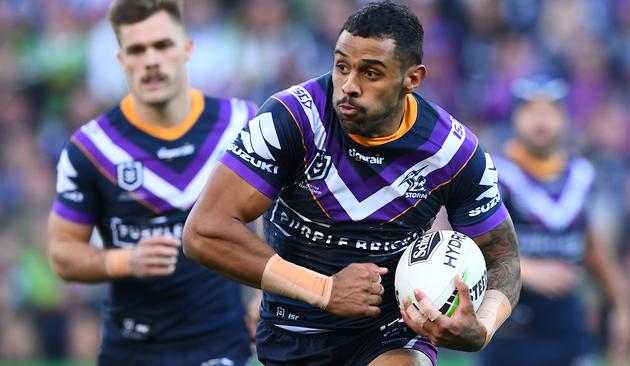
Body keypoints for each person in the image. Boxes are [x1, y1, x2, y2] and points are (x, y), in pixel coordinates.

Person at [184, 1, 521, 365]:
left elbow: (503, 255)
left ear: (413, 78)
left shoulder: (454, 152)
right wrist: (325, 290)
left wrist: (482, 328)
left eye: (370, 73)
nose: (348, 86)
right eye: (341, 66)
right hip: (294, 328)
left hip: (390, 331)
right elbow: (204, 232)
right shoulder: (291, 119)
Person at [47, 1, 257, 365]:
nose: (151, 60)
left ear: (187, 48)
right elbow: (63, 254)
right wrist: (124, 261)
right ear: (121, 60)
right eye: (137, 50)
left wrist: (265, 295)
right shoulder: (91, 148)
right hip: (131, 348)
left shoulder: (242, 125)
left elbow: (277, 217)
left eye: (162, 45)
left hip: (221, 343)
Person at [477, 76, 630, 366]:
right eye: (529, 109)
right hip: (510, 333)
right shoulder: (492, 174)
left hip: (568, 331)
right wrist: (526, 269)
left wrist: (622, 308)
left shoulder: (581, 175)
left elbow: (593, 248)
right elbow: (465, 247)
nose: (540, 119)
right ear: (514, 117)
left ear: (565, 117)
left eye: (550, 109)